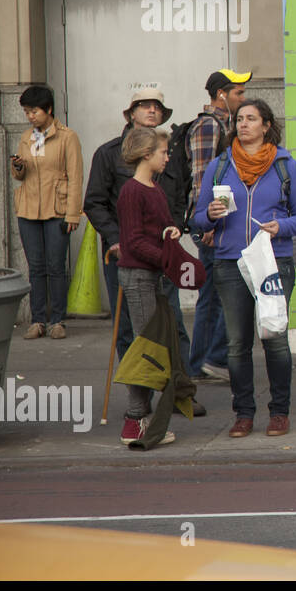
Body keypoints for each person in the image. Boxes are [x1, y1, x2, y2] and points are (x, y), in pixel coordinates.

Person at [194, 98, 296, 438]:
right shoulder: (220, 165)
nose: (243, 124)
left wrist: (282, 227)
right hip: (230, 262)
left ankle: (279, 412)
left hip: (273, 261)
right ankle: (244, 413)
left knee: (274, 337)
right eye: (240, 119)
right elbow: (198, 216)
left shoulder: (285, 165)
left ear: (265, 125)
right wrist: (210, 217)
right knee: (237, 343)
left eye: (251, 119)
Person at [83, 88, 191, 367]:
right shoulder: (108, 154)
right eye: (144, 105)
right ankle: (138, 391)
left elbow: (179, 198)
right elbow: (95, 203)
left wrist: (175, 229)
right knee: (128, 326)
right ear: (131, 113)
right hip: (124, 254)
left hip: (163, 253)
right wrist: (116, 240)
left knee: (172, 320)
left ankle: (180, 387)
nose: (152, 110)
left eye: (157, 106)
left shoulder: (170, 153)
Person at [115, 126, 185, 445]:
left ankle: (140, 417)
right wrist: (164, 258)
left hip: (151, 274)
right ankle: (134, 420)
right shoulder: (133, 191)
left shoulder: (154, 188)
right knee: (146, 347)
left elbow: (160, 226)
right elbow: (133, 240)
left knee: (151, 344)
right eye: (162, 152)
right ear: (147, 155)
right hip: (138, 275)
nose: (167, 157)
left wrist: (171, 233)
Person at [185, 69, 251, 383]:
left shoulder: (224, 125)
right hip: (212, 224)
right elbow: (203, 182)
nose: (243, 98)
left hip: (217, 222)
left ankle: (201, 362)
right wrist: (211, 224)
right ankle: (214, 357)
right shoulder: (209, 126)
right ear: (221, 95)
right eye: (238, 93)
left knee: (213, 294)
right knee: (227, 290)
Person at [11, 85, 83, 339]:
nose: (30, 116)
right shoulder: (26, 137)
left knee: (55, 266)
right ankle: (37, 319)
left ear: (49, 109)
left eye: (35, 111)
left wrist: (73, 213)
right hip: (28, 208)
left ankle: (57, 320)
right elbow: (20, 176)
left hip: (57, 209)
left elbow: (75, 177)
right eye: (27, 112)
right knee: (36, 267)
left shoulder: (67, 137)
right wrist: (17, 166)